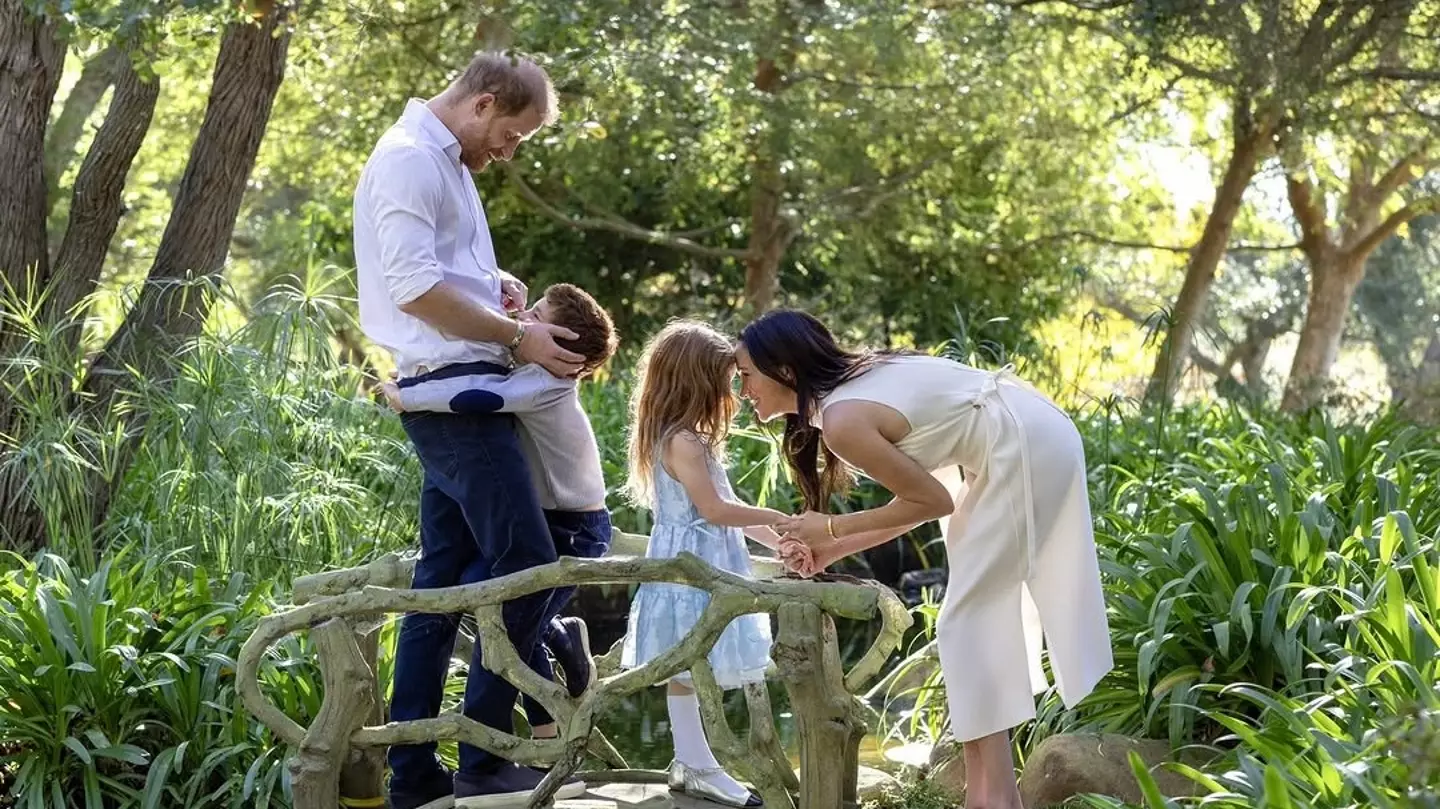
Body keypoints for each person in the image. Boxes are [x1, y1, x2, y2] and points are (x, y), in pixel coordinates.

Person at [737, 309, 1113, 809]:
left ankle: (994, 800)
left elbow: (933, 501)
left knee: (966, 622)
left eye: (746, 375)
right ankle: (992, 794)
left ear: (784, 370)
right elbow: (918, 502)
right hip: (1023, 436)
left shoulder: (843, 419)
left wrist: (828, 528)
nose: (743, 390)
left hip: (1025, 446)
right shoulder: (851, 392)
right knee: (972, 624)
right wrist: (834, 547)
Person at [353, 50, 590, 808]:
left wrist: (495, 287)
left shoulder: (448, 162)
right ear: (483, 103)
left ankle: (416, 776)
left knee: (441, 584)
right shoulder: (411, 159)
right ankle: (484, 755)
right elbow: (414, 289)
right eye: (512, 135)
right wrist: (520, 336)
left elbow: (442, 274)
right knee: (527, 562)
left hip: (459, 388)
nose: (509, 152)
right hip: (456, 397)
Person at [381, 283, 619, 744]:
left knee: (513, 620)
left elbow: (480, 395)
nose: (522, 322)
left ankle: (543, 731)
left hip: (577, 530)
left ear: (563, 347)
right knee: (499, 607)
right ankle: (557, 649)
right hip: (556, 519)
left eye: (537, 317)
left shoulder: (545, 385)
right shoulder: (531, 373)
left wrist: (409, 396)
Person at [619, 321, 786, 808]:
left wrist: (781, 542)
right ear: (698, 382)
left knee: (692, 666)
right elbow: (714, 511)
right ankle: (698, 763)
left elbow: (728, 508)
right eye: (726, 381)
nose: (733, 393)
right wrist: (780, 516)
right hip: (691, 571)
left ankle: (690, 758)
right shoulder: (683, 441)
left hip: (701, 563)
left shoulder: (687, 438)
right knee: (692, 663)